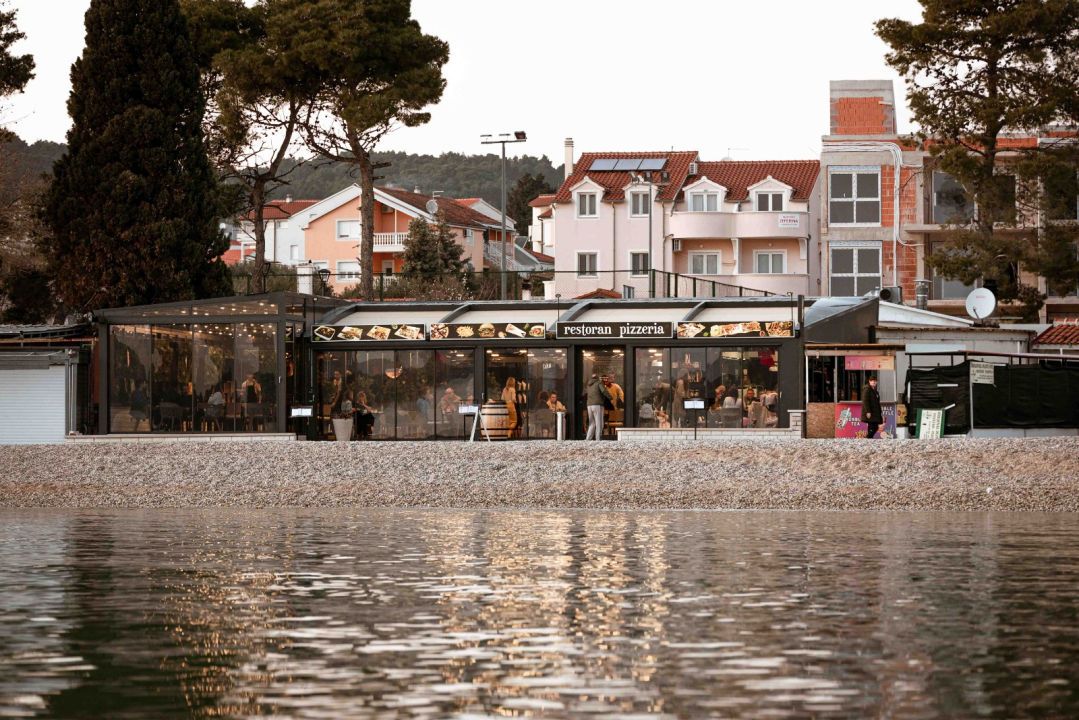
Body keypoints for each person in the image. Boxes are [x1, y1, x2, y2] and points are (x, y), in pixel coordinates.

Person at [585, 373, 612, 440]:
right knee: (599, 423)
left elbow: (585, 394)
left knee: (592, 423)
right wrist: (610, 398)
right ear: (597, 378)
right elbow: (604, 391)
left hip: (589, 405)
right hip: (597, 405)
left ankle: (588, 439)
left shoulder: (588, 385)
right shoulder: (599, 383)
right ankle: (598, 439)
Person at [861, 374, 883, 439]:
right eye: (873, 381)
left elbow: (877, 403)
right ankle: (868, 438)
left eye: (875, 381)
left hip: (875, 412)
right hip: (870, 412)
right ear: (869, 381)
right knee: (873, 426)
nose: (874, 382)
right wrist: (868, 411)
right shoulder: (867, 389)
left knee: (874, 426)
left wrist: (880, 412)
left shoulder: (875, 391)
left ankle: (869, 439)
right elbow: (865, 401)